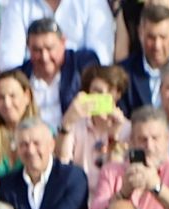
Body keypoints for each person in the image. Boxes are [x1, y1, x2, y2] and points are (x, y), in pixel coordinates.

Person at [0, 117, 89, 209]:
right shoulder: (7, 185)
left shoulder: (73, 178)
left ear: (51, 145)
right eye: (24, 145)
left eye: (36, 143)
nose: (31, 150)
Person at [56, 63, 131, 194]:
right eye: (97, 91)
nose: (103, 96)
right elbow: (62, 164)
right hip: (78, 196)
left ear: (118, 94)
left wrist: (114, 136)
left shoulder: (127, 129)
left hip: (112, 196)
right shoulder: (75, 124)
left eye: (109, 92)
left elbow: (116, 175)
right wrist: (67, 122)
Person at [17, 16, 96, 130]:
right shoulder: (20, 76)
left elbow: (105, 99)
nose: (44, 57)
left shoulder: (83, 64)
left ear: (63, 42)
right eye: (37, 50)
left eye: (50, 48)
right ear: (28, 47)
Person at [0, 0, 115, 71]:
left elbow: (101, 62)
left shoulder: (94, 3)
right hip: (31, 94)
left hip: (79, 93)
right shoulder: (17, 5)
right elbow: (9, 65)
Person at [0, 69, 36, 177]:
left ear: (27, 96)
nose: (7, 104)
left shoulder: (43, 132)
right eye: (0, 97)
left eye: (12, 96)